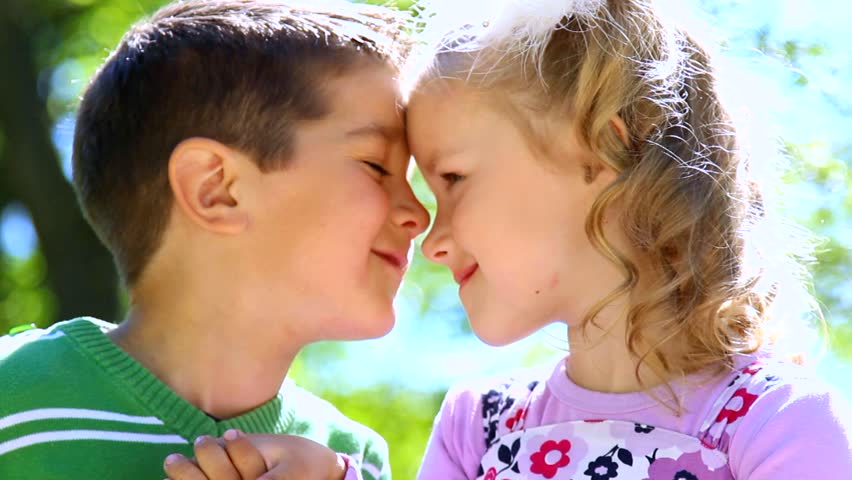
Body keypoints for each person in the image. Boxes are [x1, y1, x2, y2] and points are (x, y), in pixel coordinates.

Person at [170, 0, 852, 478]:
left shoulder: (771, 422)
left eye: (455, 179)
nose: (431, 242)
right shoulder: (481, 425)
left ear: (602, 146)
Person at [0, 1, 429, 479]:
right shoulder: (9, 396)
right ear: (216, 189)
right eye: (377, 166)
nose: (418, 213)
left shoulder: (350, 461)